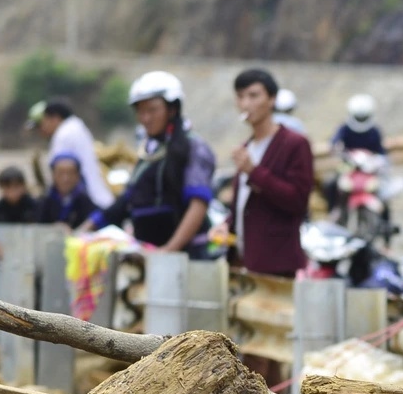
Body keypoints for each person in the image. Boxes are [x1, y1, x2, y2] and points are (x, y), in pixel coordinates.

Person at [97, 71, 215, 253]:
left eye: (152, 110)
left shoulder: (192, 147)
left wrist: (169, 249)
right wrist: (87, 228)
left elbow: (198, 204)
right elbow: (126, 200)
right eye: (140, 111)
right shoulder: (148, 151)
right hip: (151, 252)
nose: (145, 118)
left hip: (186, 256)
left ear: (172, 109)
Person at [224, 68, 314, 277]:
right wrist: (226, 225)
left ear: (272, 99)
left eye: (254, 96)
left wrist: (254, 172)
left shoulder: (294, 143)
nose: (246, 104)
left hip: (277, 263)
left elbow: (298, 201)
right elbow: (246, 204)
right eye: (240, 96)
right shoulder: (247, 146)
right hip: (243, 259)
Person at [28, 98, 114, 206]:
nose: (41, 131)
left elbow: (59, 173)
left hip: (86, 202)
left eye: (42, 124)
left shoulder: (63, 135)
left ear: (55, 118)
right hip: (100, 197)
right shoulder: (77, 126)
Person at [0, 166, 40, 247]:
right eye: (8, 187)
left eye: (16, 187)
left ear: (23, 187)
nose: (12, 192)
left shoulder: (33, 204)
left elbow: (45, 225)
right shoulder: (0, 206)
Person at [39, 154, 99, 231]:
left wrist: (90, 223)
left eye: (70, 173)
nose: (66, 178)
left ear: (78, 175)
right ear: (53, 174)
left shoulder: (83, 200)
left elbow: (99, 216)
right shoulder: (45, 200)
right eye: (61, 173)